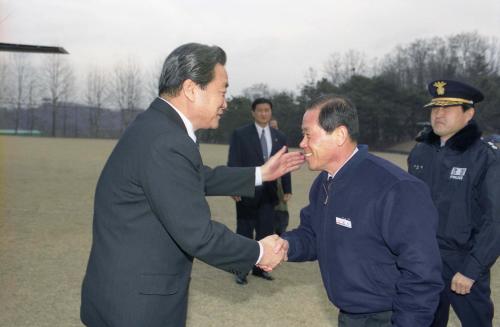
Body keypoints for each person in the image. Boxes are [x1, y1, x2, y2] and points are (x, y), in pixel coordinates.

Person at [80, 43, 304, 327]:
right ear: (190, 89)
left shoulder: (158, 126)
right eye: (222, 91)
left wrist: (260, 173)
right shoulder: (167, 141)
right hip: (137, 308)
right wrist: (259, 252)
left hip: (122, 293)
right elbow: (198, 234)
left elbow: (194, 177)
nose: (226, 102)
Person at [278, 95, 443, 327]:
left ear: (340, 135)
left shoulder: (396, 188)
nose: (302, 143)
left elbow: (422, 273)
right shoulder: (325, 182)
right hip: (350, 316)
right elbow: (313, 234)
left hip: (390, 317)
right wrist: (285, 245)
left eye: (307, 134)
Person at [408, 79, 500, 327]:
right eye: (435, 108)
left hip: (464, 261)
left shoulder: (485, 157)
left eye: (448, 108)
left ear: (469, 113)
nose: (439, 114)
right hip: (423, 260)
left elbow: (496, 220)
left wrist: (473, 269)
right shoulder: (420, 153)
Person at [227, 98, 292, 284]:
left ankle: (259, 269)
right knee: (244, 233)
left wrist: (287, 189)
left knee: (265, 233)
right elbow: (233, 162)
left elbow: (284, 164)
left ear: (271, 112)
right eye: (260, 110)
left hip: (270, 195)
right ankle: (241, 269)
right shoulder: (240, 134)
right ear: (253, 113)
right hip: (246, 192)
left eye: (267, 110)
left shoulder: (279, 136)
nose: (264, 113)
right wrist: (233, 186)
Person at [270, 119, 290, 235]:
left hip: (279, 183)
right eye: (271, 127)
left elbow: (286, 166)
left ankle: (281, 231)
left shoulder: (281, 143)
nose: (274, 129)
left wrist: (288, 189)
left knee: (281, 210)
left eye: (275, 127)